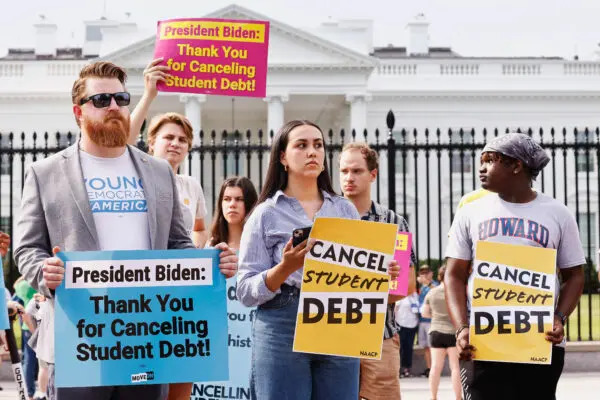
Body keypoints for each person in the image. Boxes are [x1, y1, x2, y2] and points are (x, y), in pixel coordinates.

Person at [14, 61, 237, 400]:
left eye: (121, 98)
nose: (114, 106)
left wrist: (209, 264)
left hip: (149, 333)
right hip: (81, 335)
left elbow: (178, 243)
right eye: (101, 100)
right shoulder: (45, 172)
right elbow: (27, 249)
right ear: (79, 111)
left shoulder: (159, 171)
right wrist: (46, 272)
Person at [236, 120, 400, 400]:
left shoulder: (344, 209)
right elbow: (245, 291)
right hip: (282, 323)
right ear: (283, 158)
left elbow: (356, 277)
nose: (312, 151)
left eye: (318, 145)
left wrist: (379, 273)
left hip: (338, 321)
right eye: (301, 145)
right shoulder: (265, 214)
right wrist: (284, 269)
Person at [445, 133, 585, 400]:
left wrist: (559, 318)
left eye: (490, 161)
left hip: (539, 342)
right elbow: (454, 275)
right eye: (481, 161)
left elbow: (574, 275)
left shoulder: (558, 213)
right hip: (483, 342)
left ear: (516, 165)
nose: (481, 168)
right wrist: (462, 328)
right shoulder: (470, 212)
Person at [338, 142, 416, 400]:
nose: (349, 178)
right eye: (344, 171)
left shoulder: (393, 221)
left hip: (380, 336)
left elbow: (407, 286)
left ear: (373, 174)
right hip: (332, 336)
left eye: (357, 171)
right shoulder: (323, 219)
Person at [421, 266, 460, 400]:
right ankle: (458, 397)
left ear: (439, 276)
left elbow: (424, 313)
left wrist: (436, 317)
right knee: (455, 367)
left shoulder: (431, 292)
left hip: (436, 331)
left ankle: (433, 396)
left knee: (435, 367)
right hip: (453, 332)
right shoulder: (456, 292)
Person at [207, 176, 258, 249]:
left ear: (251, 203)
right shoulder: (210, 246)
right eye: (227, 199)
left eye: (239, 199)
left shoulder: (261, 245)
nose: (232, 204)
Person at [417, 264, 438, 377]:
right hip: (422, 319)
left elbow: (436, 291)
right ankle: (429, 368)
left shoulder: (433, 285)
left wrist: (426, 283)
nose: (424, 274)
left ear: (431, 273)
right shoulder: (423, 287)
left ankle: (434, 369)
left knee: (432, 346)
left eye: (426, 272)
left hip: (430, 320)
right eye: (422, 273)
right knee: (425, 346)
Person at [395, 292, 419, 378]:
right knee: (400, 348)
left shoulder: (415, 296)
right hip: (401, 324)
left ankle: (407, 369)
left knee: (409, 348)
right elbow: (395, 309)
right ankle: (398, 369)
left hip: (413, 325)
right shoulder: (401, 296)